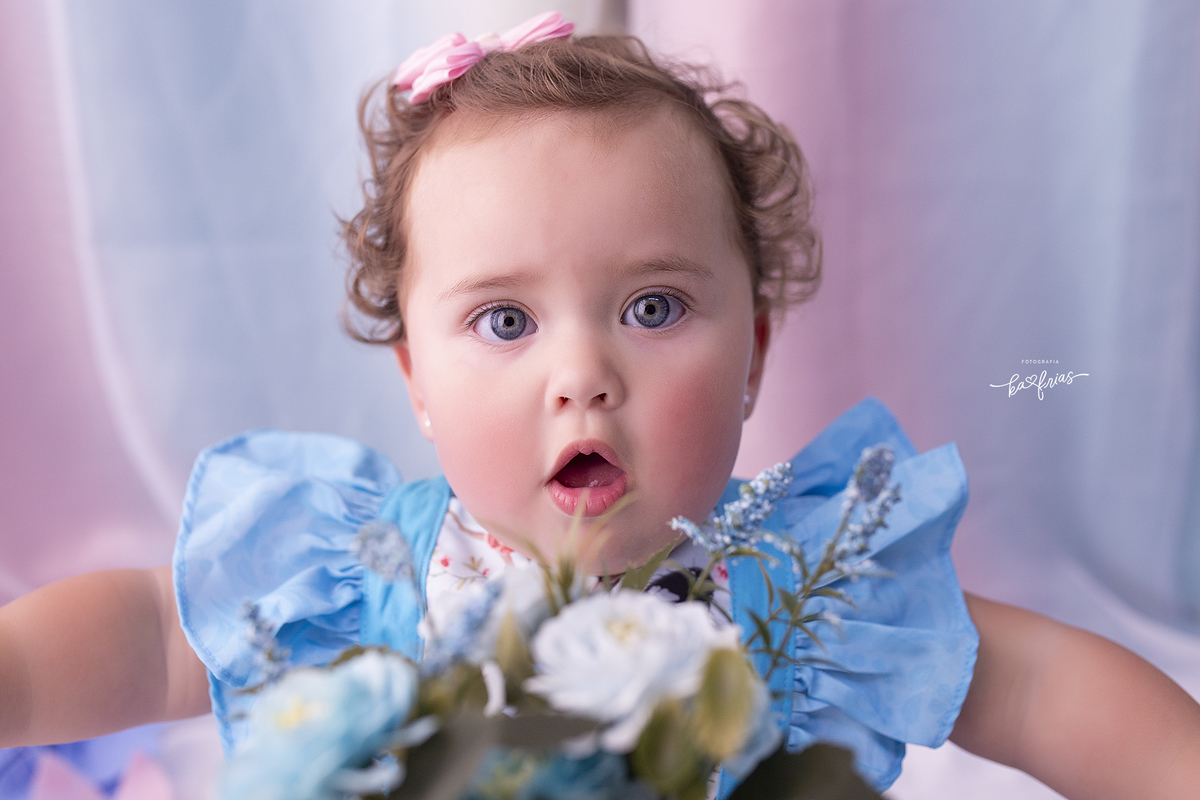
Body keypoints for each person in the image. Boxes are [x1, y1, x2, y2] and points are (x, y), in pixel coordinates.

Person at [1, 11, 1198, 799]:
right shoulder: (359, 575)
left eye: (655, 307)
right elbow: (159, 631)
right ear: (415, 378)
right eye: (506, 323)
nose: (583, 374)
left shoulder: (812, 586)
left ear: (756, 354)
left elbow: (1034, 682)